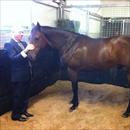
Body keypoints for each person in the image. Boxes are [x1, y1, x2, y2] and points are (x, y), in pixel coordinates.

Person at [4, 27, 35, 122]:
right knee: (18, 96)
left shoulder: (24, 43)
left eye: (22, 32)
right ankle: (15, 115)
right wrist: (26, 50)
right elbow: (14, 59)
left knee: (26, 95)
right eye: (19, 32)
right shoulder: (8, 45)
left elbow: (29, 56)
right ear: (12, 33)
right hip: (18, 75)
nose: (21, 34)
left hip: (27, 73)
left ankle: (23, 111)